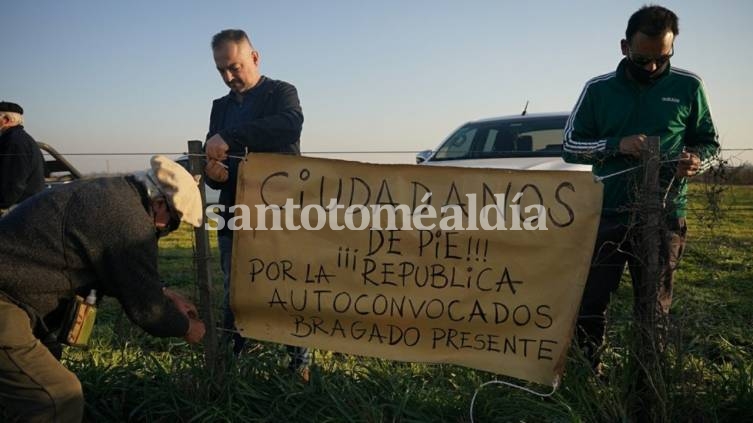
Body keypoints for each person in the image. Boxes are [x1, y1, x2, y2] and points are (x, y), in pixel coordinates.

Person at [562, 5, 719, 368]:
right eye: (642, 58)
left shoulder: (689, 86)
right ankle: (589, 372)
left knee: (653, 307)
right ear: (624, 47)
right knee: (591, 301)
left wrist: (695, 161)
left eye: (661, 59)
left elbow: (711, 145)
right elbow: (570, 146)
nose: (651, 67)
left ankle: (647, 383)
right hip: (608, 213)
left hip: (665, 215)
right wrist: (616, 145)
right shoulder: (598, 90)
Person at [0, 156, 207, 422]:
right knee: (56, 396)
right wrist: (188, 328)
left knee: (38, 374)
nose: (167, 230)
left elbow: (116, 270)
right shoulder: (128, 222)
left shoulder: (115, 195)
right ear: (158, 203)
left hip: (16, 295)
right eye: (173, 222)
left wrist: (166, 292)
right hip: (7, 301)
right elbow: (148, 311)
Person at [203, 29, 309, 373]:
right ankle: (234, 364)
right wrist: (213, 174)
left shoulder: (282, 93)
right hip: (233, 212)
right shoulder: (219, 107)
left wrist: (230, 137)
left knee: (289, 287)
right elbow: (212, 159)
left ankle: (299, 365)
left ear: (255, 57)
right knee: (235, 291)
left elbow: (289, 127)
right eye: (221, 70)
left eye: (234, 66)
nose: (229, 77)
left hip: (280, 214)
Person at [0, 101, 45, 214]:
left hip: (19, 210)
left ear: (5, 120)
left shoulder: (14, 142)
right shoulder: (22, 139)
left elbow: (12, 186)